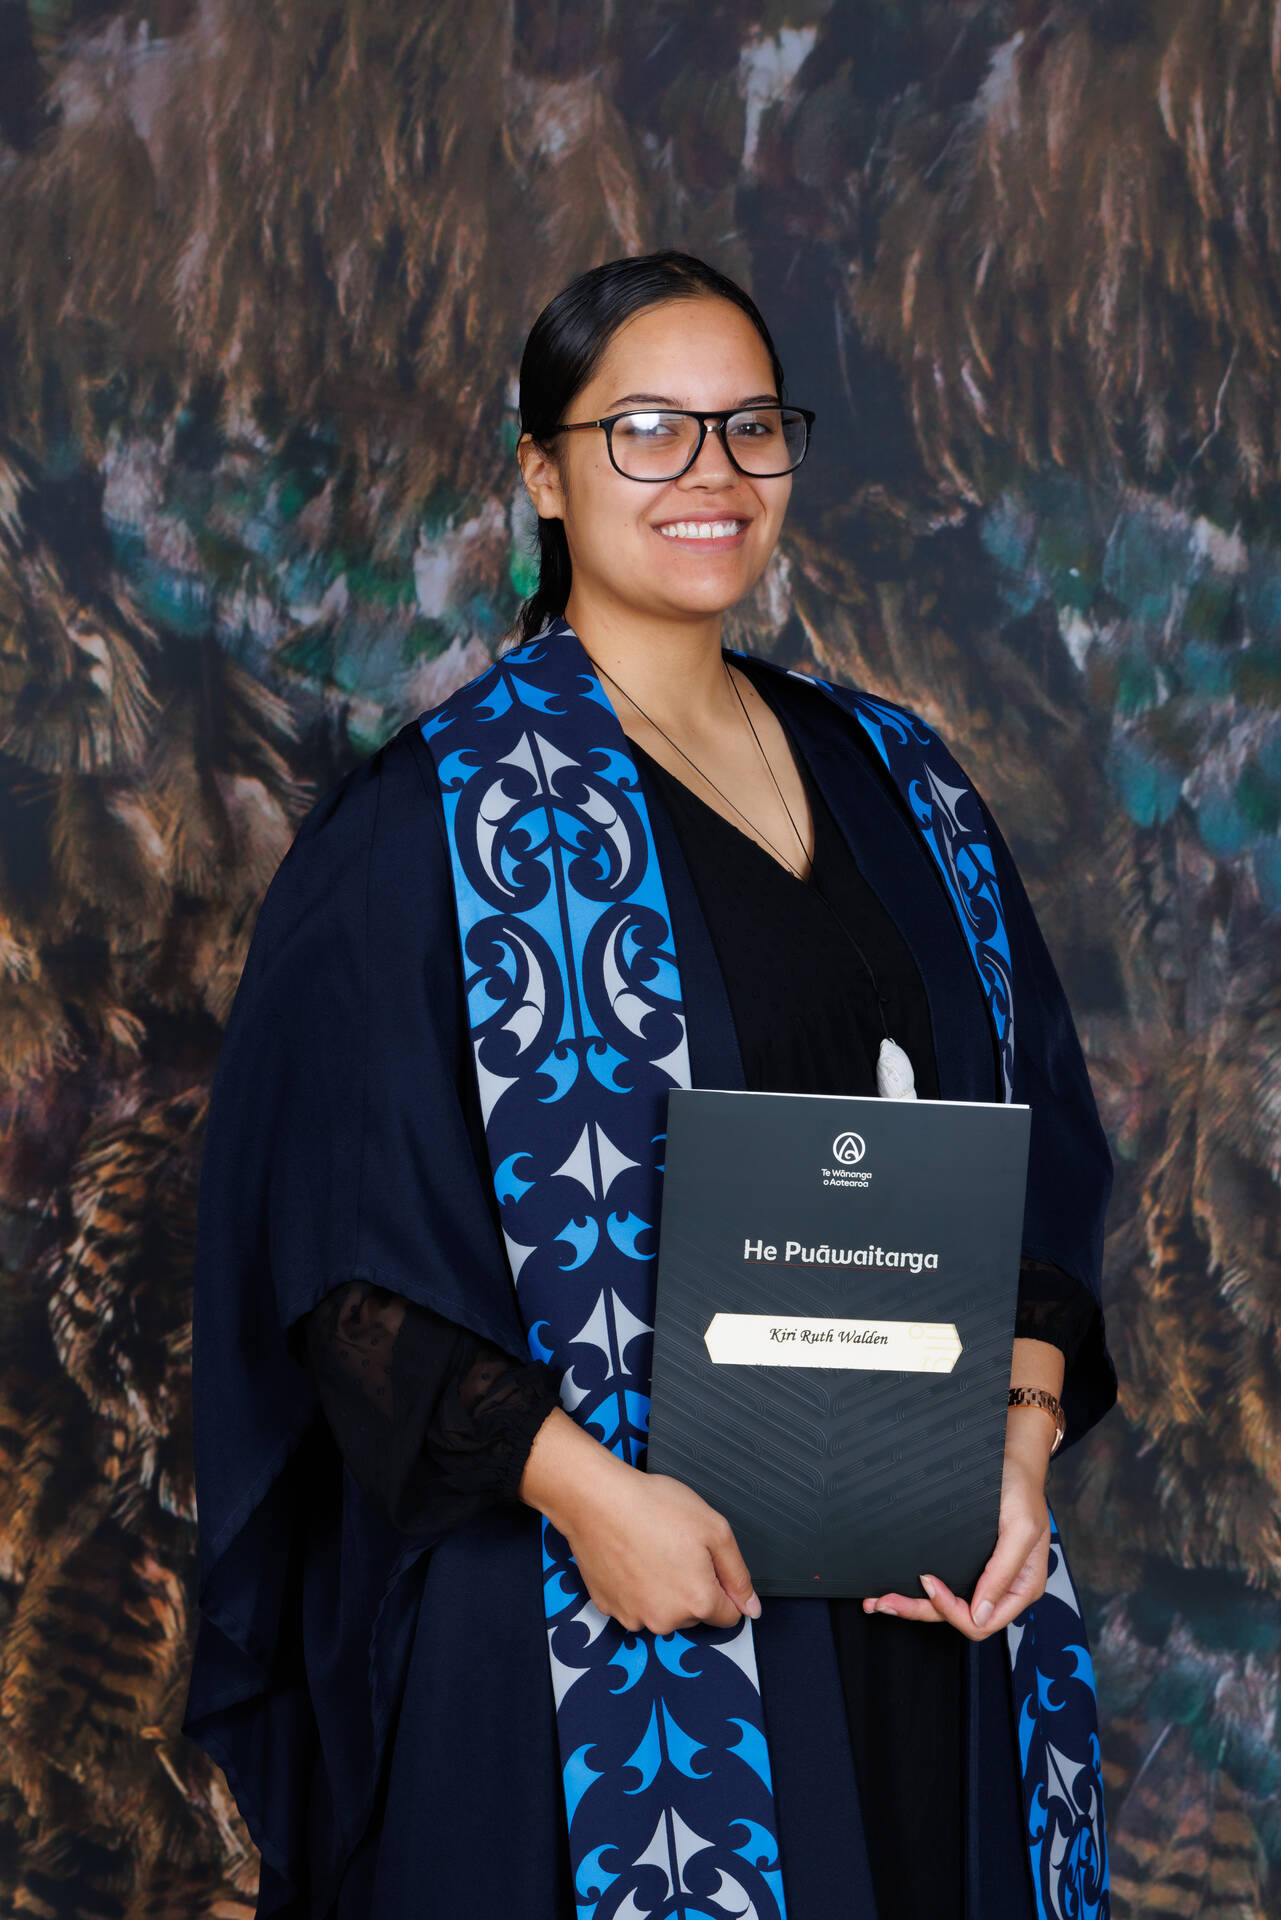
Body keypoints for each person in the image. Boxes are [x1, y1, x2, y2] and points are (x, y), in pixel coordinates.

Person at [181, 250, 1117, 1920]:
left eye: (749, 427)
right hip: (608, 1616)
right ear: (542, 474)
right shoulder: (431, 828)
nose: (711, 473)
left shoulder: (906, 782)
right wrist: (594, 1502)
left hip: (917, 1602)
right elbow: (338, 1260)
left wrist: (1020, 1446)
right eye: (647, 430)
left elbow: (1032, 1157)